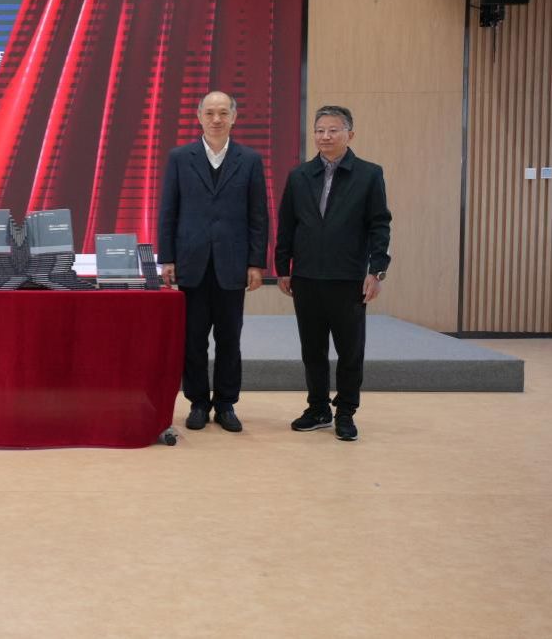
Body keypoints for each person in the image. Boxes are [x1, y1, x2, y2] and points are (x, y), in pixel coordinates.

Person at [275, 104, 391, 442]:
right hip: (307, 277)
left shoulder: (369, 174)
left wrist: (377, 271)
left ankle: (345, 412)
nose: (325, 136)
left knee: (350, 351)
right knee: (312, 349)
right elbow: (287, 225)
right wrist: (283, 268)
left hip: (348, 278)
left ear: (349, 134)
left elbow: (379, 224)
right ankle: (318, 408)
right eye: (319, 130)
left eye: (333, 130)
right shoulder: (299, 176)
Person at [158, 91, 269, 433]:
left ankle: (225, 404)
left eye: (223, 113)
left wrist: (256, 262)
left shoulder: (249, 160)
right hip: (191, 263)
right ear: (199, 117)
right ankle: (197, 403)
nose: (216, 119)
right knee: (193, 339)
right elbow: (169, 211)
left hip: (233, 264)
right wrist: (167, 258)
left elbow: (258, 216)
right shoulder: (180, 157)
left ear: (234, 117)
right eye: (210, 113)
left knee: (229, 338)